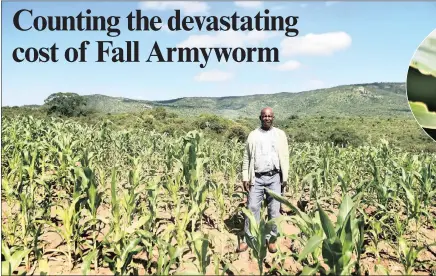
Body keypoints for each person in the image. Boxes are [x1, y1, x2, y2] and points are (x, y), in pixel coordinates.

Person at [237, 107, 289, 254]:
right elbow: (247, 157)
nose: (267, 118)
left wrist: (284, 177)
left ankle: (271, 239)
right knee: (252, 207)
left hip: (275, 177)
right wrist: (245, 177)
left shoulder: (280, 134)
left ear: (273, 118)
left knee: (274, 209)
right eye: (264, 116)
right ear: (260, 118)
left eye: (269, 116)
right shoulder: (253, 135)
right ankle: (249, 239)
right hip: (257, 178)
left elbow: (285, 156)